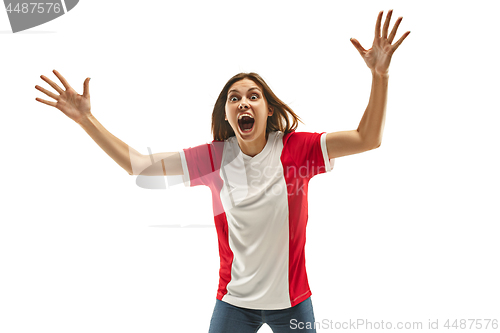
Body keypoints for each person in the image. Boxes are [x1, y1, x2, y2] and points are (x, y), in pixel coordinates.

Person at [35, 9, 410, 333]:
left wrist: (380, 76)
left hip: (294, 302)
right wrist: (86, 119)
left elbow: (367, 138)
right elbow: (140, 166)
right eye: (234, 98)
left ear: (267, 110)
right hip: (234, 304)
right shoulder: (215, 158)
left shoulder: (298, 148)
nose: (243, 102)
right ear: (227, 115)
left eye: (253, 96)